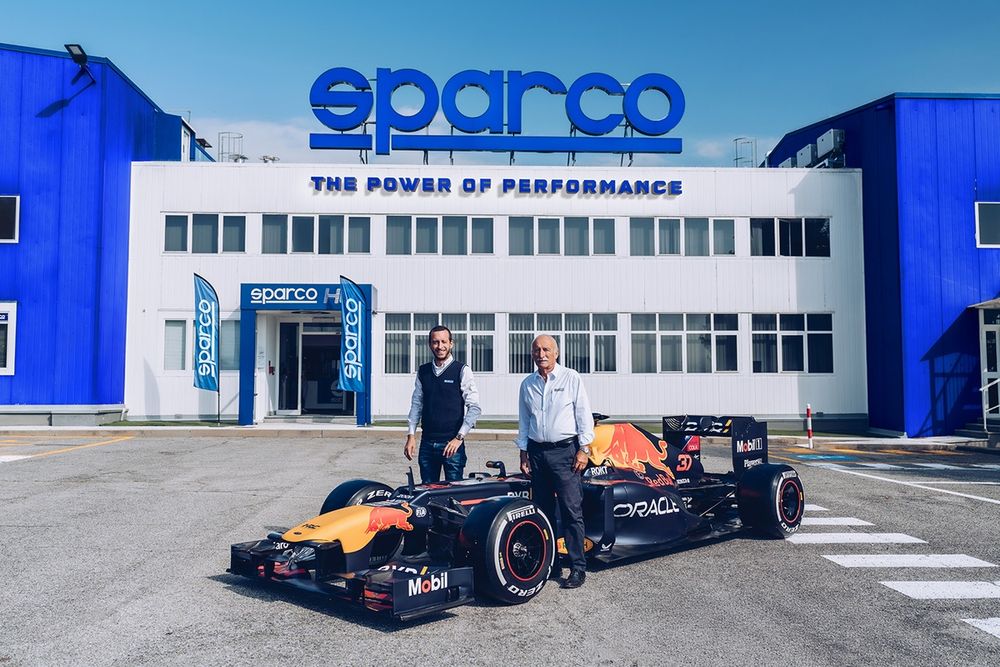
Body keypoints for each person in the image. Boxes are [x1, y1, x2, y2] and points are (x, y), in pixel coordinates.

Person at [516, 334, 594, 589]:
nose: (542, 354)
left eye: (546, 349)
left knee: (571, 511)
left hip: (565, 454)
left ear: (556, 353)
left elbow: (583, 415)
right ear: (532, 354)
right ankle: (551, 564)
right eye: (537, 350)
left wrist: (584, 449)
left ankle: (577, 567)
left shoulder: (571, 378)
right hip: (537, 454)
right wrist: (523, 452)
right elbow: (524, 421)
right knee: (543, 511)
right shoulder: (527, 384)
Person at [404, 325, 481, 483]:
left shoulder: (462, 370)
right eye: (435, 342)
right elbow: (416, 404)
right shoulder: (423, 371)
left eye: (444, 342)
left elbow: (474, 408)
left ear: (451, 343)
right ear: (430, 345)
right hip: (427, 444)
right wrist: (411, 436)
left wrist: (459, 438)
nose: (440, 346)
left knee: (454, 493)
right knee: (427, 492)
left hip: (452, 445)